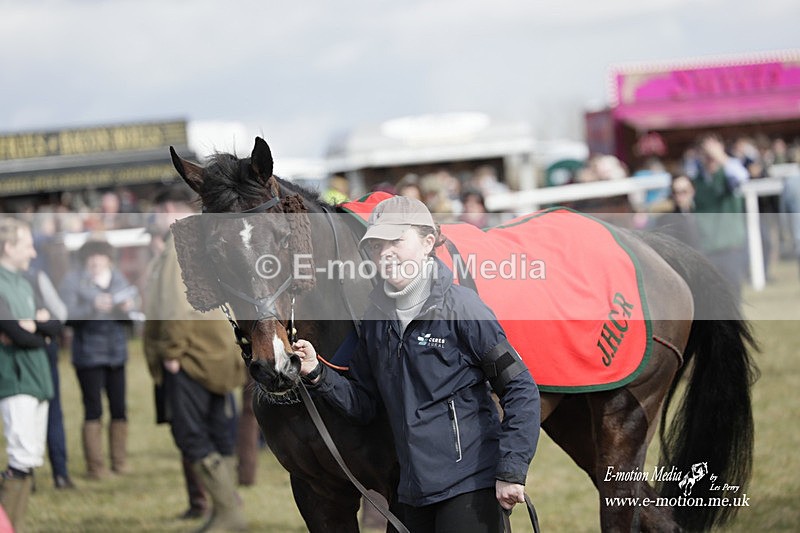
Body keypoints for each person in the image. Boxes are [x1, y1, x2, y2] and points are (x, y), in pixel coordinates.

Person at [293, 196, 540, 532]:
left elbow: (520, 388)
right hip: (409, 492)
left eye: (396, 240)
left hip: (469, 485)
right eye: (377, 245)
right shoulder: (375, 319)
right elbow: (363, 404)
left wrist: (511, 470)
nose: (385, 253)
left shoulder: (463, 308)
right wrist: (317, 373)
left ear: (427, 243)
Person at [143, 185, 247, 530]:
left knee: (192, 434)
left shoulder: (178, 246)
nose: (151, 219)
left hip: (189, 355)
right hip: (214, 351)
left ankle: (228, 514)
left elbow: (175, 305)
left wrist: (171, 352)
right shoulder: (200, 241)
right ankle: (225, 512)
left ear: (171, 210)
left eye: (156, 211)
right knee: (217, 431)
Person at [59, 238, 139, 479]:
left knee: (119, 408)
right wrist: (93, 307)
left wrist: (125, 309)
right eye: (91, 258)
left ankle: (119, 461)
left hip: (116, 353)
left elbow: (131, 322)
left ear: (108, 259)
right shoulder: (73, 282)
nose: (96, 262)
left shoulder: (118, 280)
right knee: (93, 409)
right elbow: (67, 317)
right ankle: (96, 466)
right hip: (88, 355)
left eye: (100, 257)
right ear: (85, 260)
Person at [0, 217, 55, 530]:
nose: (33, 252)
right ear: (8, 247)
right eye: (26, 245)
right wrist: (37, 330)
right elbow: (18, 334)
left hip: (37, 377)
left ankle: (13, 524)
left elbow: (57, 324)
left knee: (30, 456)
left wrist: (37, 328)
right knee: (20, 457)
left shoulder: (25, 281)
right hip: (14, 377)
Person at [23, 265, 75, 490]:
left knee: (29, 414)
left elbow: (60, 315)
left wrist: (34, 324)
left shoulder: (35, 275)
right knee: (44, 413)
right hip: (34, 352)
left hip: (31, 353)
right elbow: (59, 314)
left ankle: (28, 476)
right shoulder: (35, 275)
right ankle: (59, 475)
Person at [689, 135, 750, 303]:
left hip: (730, 249)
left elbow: (742, 176)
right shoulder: (696, 182)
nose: (710, 158)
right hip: (705, 250)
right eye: (705, 153)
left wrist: (719, 155)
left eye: (713, 153)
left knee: (733, 299)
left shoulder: (729, 176)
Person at [652, 174, 701, 250]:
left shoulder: (703, 213)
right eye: (675, 193)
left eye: (684, 192)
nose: (679, 197)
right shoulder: (666, 221)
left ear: (692, 191)